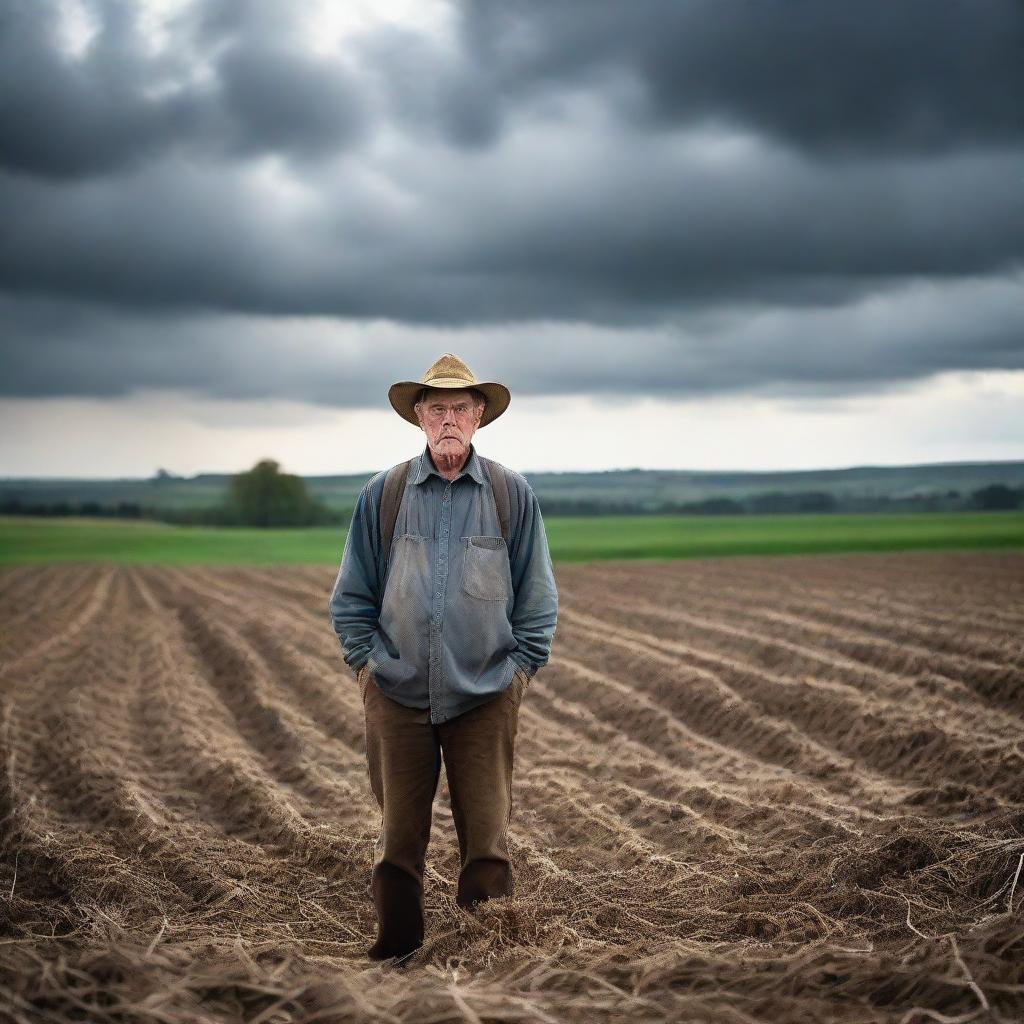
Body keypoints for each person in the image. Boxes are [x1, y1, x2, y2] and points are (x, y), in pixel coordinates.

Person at [328, 352, 559, 962]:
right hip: (397, 691)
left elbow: (537, 597)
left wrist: (517, 674)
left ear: (479, 415)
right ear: (419, 418)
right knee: (398, 839)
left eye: (460, 407)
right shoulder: (386, 494)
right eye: (437, 409)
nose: (449, 419)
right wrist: (367, 667)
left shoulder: (511, 494)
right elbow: (352, 595)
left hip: (484, 693)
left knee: (486, 840)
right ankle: (397, 955)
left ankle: (487, 955)